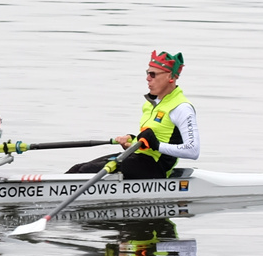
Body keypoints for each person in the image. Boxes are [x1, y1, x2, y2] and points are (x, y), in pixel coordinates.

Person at [67, 49, 199, 180]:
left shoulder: (182, 108)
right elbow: (151, 138)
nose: (147, 78)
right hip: (138, 158)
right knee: (77, 169)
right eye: (147, 73)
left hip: (156, 167)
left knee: (86, 171)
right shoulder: (151, 104)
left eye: (153, 75)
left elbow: (193, 151)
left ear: (169, 77)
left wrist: (157, 145)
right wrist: (132, 140)